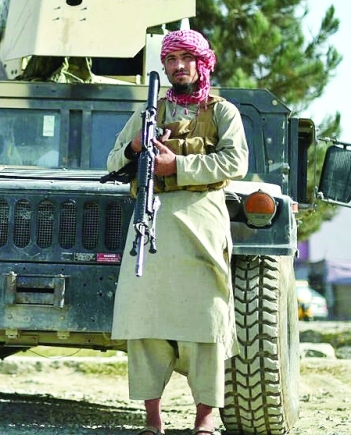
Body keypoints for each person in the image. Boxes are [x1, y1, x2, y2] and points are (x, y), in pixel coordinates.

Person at [106, 29, 249, 435]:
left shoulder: (222, 112)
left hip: (201, 224)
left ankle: (204, 420)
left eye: (187, 58)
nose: (178, 66)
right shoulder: (150, 110)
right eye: (171, 59)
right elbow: (113, 160)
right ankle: (153, 421)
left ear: (202, 63)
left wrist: (179, 168)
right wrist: (136, 147)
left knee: (204, 322)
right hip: (151, 224)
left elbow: (234, 162)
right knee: (145, 321)